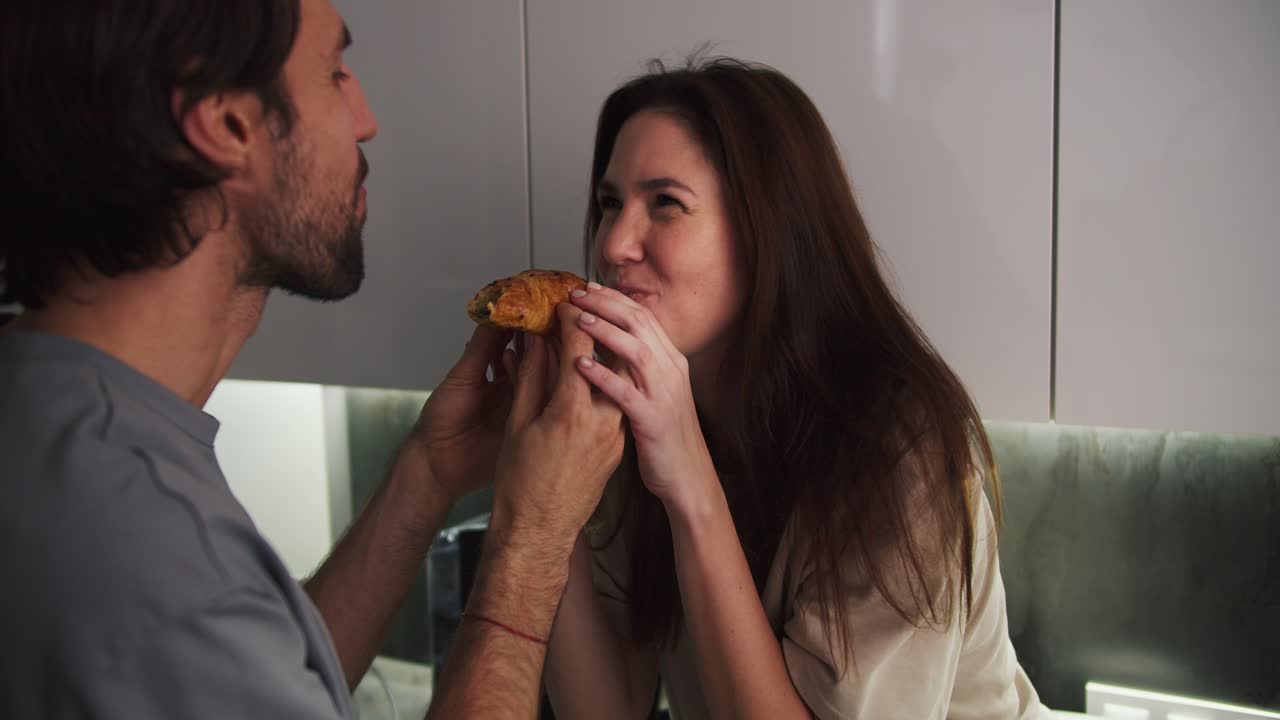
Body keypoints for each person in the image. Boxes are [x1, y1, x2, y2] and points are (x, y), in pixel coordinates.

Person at [0, 1, 622, 719]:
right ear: (226, 123)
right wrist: (533, 541)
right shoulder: (145, 552)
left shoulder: (55, 417)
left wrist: (427, 472)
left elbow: (250, 674)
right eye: (335, 73)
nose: (366, 118)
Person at [544, 57, 1056, 719]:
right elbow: (604, 711)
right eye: (609, 203)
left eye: (665, 204)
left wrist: (689, 481)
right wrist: (540, 502)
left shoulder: (900, 451)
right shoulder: (624, 420)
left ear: (768, 233)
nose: (614, 244)